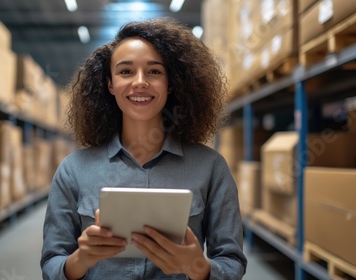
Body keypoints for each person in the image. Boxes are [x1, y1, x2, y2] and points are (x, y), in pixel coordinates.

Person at [41, 17, 247, 280]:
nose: (140, 82)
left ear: (171, 83)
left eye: (154, 71)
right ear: (110, 84)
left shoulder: (210, 167)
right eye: (126, 71)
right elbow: (51, 264)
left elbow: (232, 263)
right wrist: (81, 259)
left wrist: (197, 266)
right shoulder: (74, 170)